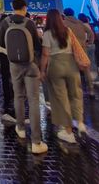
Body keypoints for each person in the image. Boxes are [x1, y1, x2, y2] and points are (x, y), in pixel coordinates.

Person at [0, 0, 47, 154]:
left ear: (12, 7)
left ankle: (20, 128)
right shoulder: (29, 23)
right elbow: (37, 46)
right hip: (30, 65)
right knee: (33, 100)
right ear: (25, 7)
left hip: (14, 65)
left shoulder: (5, 22)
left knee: (18, 96)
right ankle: (36, 141)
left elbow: (2, 43)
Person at [40, 9, 84, 145]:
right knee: (76, 94)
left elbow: (46, 54)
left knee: (61, 98)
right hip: (71, 64)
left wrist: (42, 70)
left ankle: (68, 131)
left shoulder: (47, 33)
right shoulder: (68, 31)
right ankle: (80, 122)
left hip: (56, 64)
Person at [64, 9, 98, 98]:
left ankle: (75, 92)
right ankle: (91, 90)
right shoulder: (80, 23)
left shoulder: (64, 23)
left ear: (65, 14)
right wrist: (89, 42)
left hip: (70, 50)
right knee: (86, 70)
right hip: (82, 48)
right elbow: (91, 33)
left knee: (73, 70)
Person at [0, 14, 16, 122]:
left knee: (5, 76)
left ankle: (8, 96)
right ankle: (12, 94)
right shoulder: (14, 28)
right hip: (13, 55)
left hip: (4, 55)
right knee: (11, 76)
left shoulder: (0, 29)